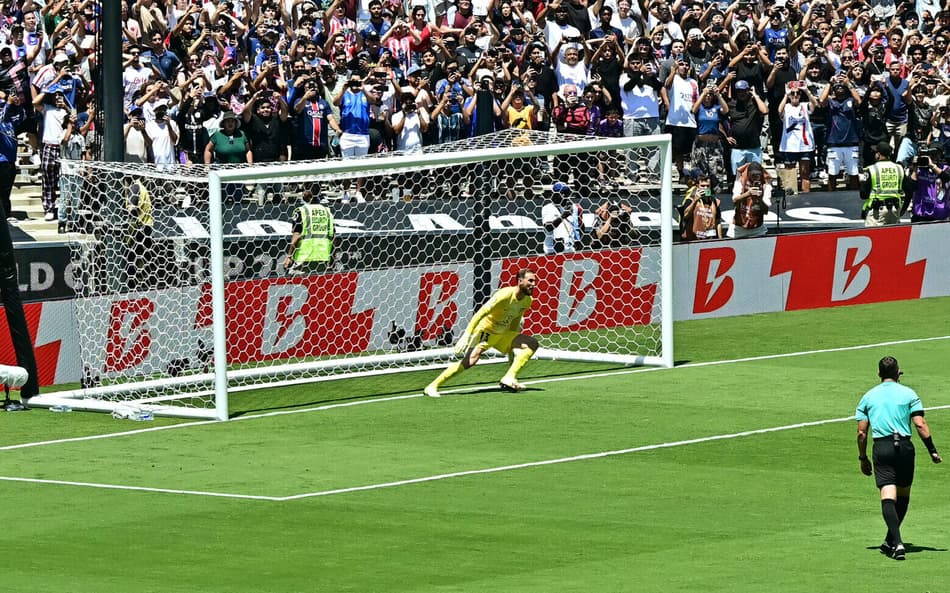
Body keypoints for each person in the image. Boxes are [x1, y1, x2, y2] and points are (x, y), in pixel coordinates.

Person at [855, 356, 942, 561]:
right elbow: (920, 424)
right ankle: (893, 541)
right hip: (904, 447)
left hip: (882, 447)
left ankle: (894, 541)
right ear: (898, 373)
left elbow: (861, 433)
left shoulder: (868, 397)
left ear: (878, 374)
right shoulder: (909, 393)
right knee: (903, 496)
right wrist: (932, 451)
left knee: (887, 495)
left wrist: (862, 457)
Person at [424, 269, 540, 398]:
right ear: (520, 281)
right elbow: (480, 313)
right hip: (486, 331)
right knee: (470, 360)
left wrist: (512, 342)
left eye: (534, 281)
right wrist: (466, 335)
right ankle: (432, 386)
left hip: (502, 333)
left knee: (532, 344)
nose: (534, 284)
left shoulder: (527, 300)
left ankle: (509, 377)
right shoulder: (504, 295)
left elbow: (516, 318)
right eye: (530, 280)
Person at [283, 189, 334, 275]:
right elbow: (333, 237)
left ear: (306, 195)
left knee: (296, 285)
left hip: (304, 258)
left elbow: (297, 236)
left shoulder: (301, 211)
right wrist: (332, 258)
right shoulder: (327, 212)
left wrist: (289, 256)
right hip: (323, 258)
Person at [861, 141, 906, 227]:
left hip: (877, 211)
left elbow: (863, 194)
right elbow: (908, 189)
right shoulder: (899, 168)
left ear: (878, 154)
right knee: (893, 238)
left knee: (875, 237)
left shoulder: (872, 169)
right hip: (895, 210)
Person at [728, 162, 771, 239]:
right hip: (739, 228)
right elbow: (734, 201)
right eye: (753, 175)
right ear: (748, 173)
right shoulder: (740, 180)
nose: (755, 177)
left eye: (758, 175)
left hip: (758, 228)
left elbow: (766, 211)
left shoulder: (766, 185)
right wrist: (748, 194)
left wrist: (759, 200)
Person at [541, 181, 583, 254]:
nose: (563, 195)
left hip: (570, 250)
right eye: (561, 192)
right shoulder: (548, 208)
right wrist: (563, 216)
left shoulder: (573, 208)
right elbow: (548, 227)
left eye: (566, 193)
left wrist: (577, 239)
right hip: (552, 251)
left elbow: (579, 227)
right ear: (553, 193)